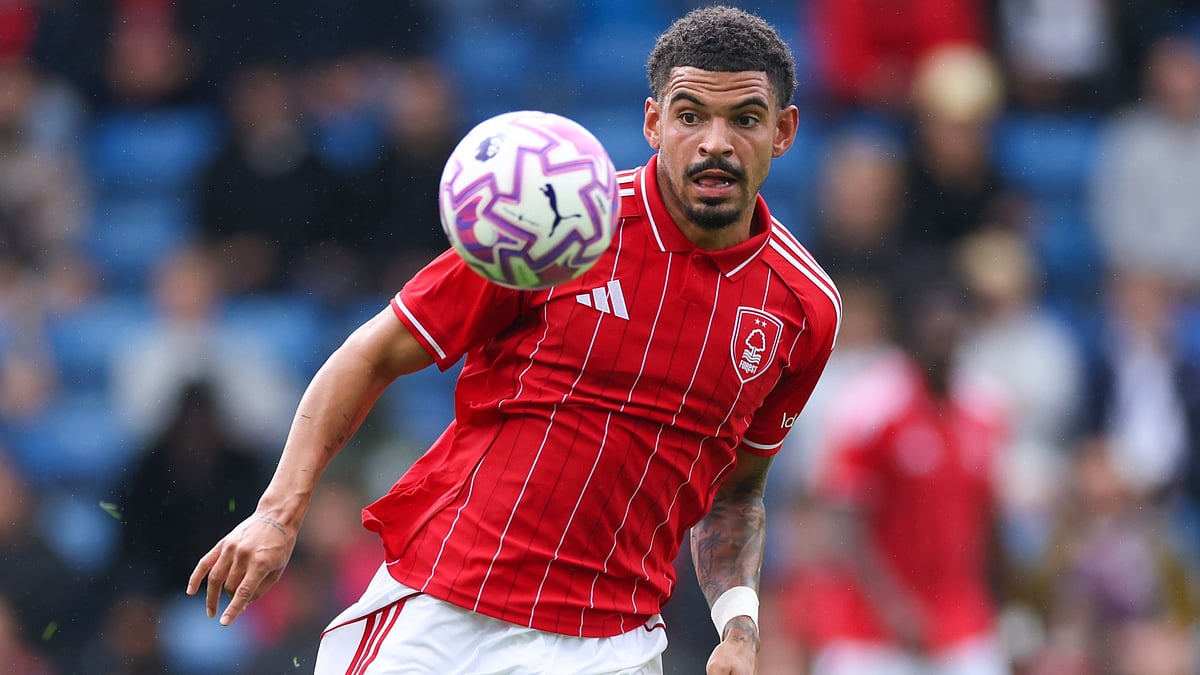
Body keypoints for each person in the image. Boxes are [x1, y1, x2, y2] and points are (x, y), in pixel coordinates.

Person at [186, 6, 841, 674]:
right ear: (653, 122)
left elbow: (734, 495)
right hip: (448, 602)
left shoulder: (803, 308)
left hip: (611, 643)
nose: (715, 143)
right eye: (691, 115)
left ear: (784, 131)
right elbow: (373, 351)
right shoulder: (556, 217)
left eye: (745, 119)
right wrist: (277, 513)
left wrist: (739, 627)